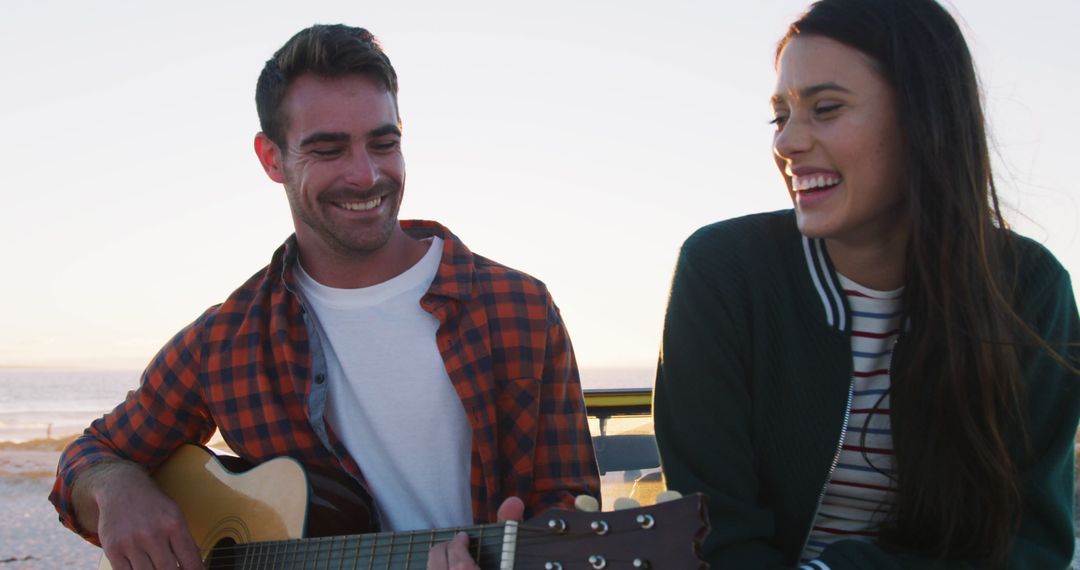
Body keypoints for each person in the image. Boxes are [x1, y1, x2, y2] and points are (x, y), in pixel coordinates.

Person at [50, 24, 600, 569]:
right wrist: (117, 488)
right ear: (271, 159)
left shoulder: (519, 309)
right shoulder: (226, 341)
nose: (366, 175)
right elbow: (88, 459)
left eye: (383, 143)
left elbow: (575, 515)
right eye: (329, 150)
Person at [653, 0, 1080, 568]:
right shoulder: (725, 272)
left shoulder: (1028, 288)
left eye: (825, 109)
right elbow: (714, 533)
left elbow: (1031, 546)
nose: (786, 143)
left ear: (925, 120)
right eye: (780, 116)